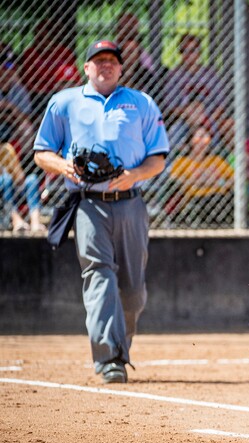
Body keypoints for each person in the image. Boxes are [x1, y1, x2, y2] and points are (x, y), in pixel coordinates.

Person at [33, 40, 169, 383]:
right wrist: (65, 167)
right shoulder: (64, 102)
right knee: (99, 276)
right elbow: (41, 152)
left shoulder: (141, 103)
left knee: (133, 291)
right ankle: (109, 359)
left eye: (112, 60)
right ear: (86, 67)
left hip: (132, 204)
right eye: (98, 60)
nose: (105, 65)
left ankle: (120, 346)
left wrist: (133, 175)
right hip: (88, 204)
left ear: (121, 68)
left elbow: (158, 158)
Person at [168, 122, 234, 226]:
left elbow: (233, 179)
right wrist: (199, 181)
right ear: (191, 140)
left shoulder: (216, 160)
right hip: (194, 200)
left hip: (218, 199)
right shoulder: (182, 161)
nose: (203, 141)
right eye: (200, 136)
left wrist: (219, 183)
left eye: (207, 137)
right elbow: (175, 182)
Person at [1, 141, 44, 233]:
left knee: (32, 179)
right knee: (6, 178)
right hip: (3, 188)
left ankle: (35, 221)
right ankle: (16, 220)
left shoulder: (6, 149)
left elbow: (19, 176)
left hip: (12, 187)